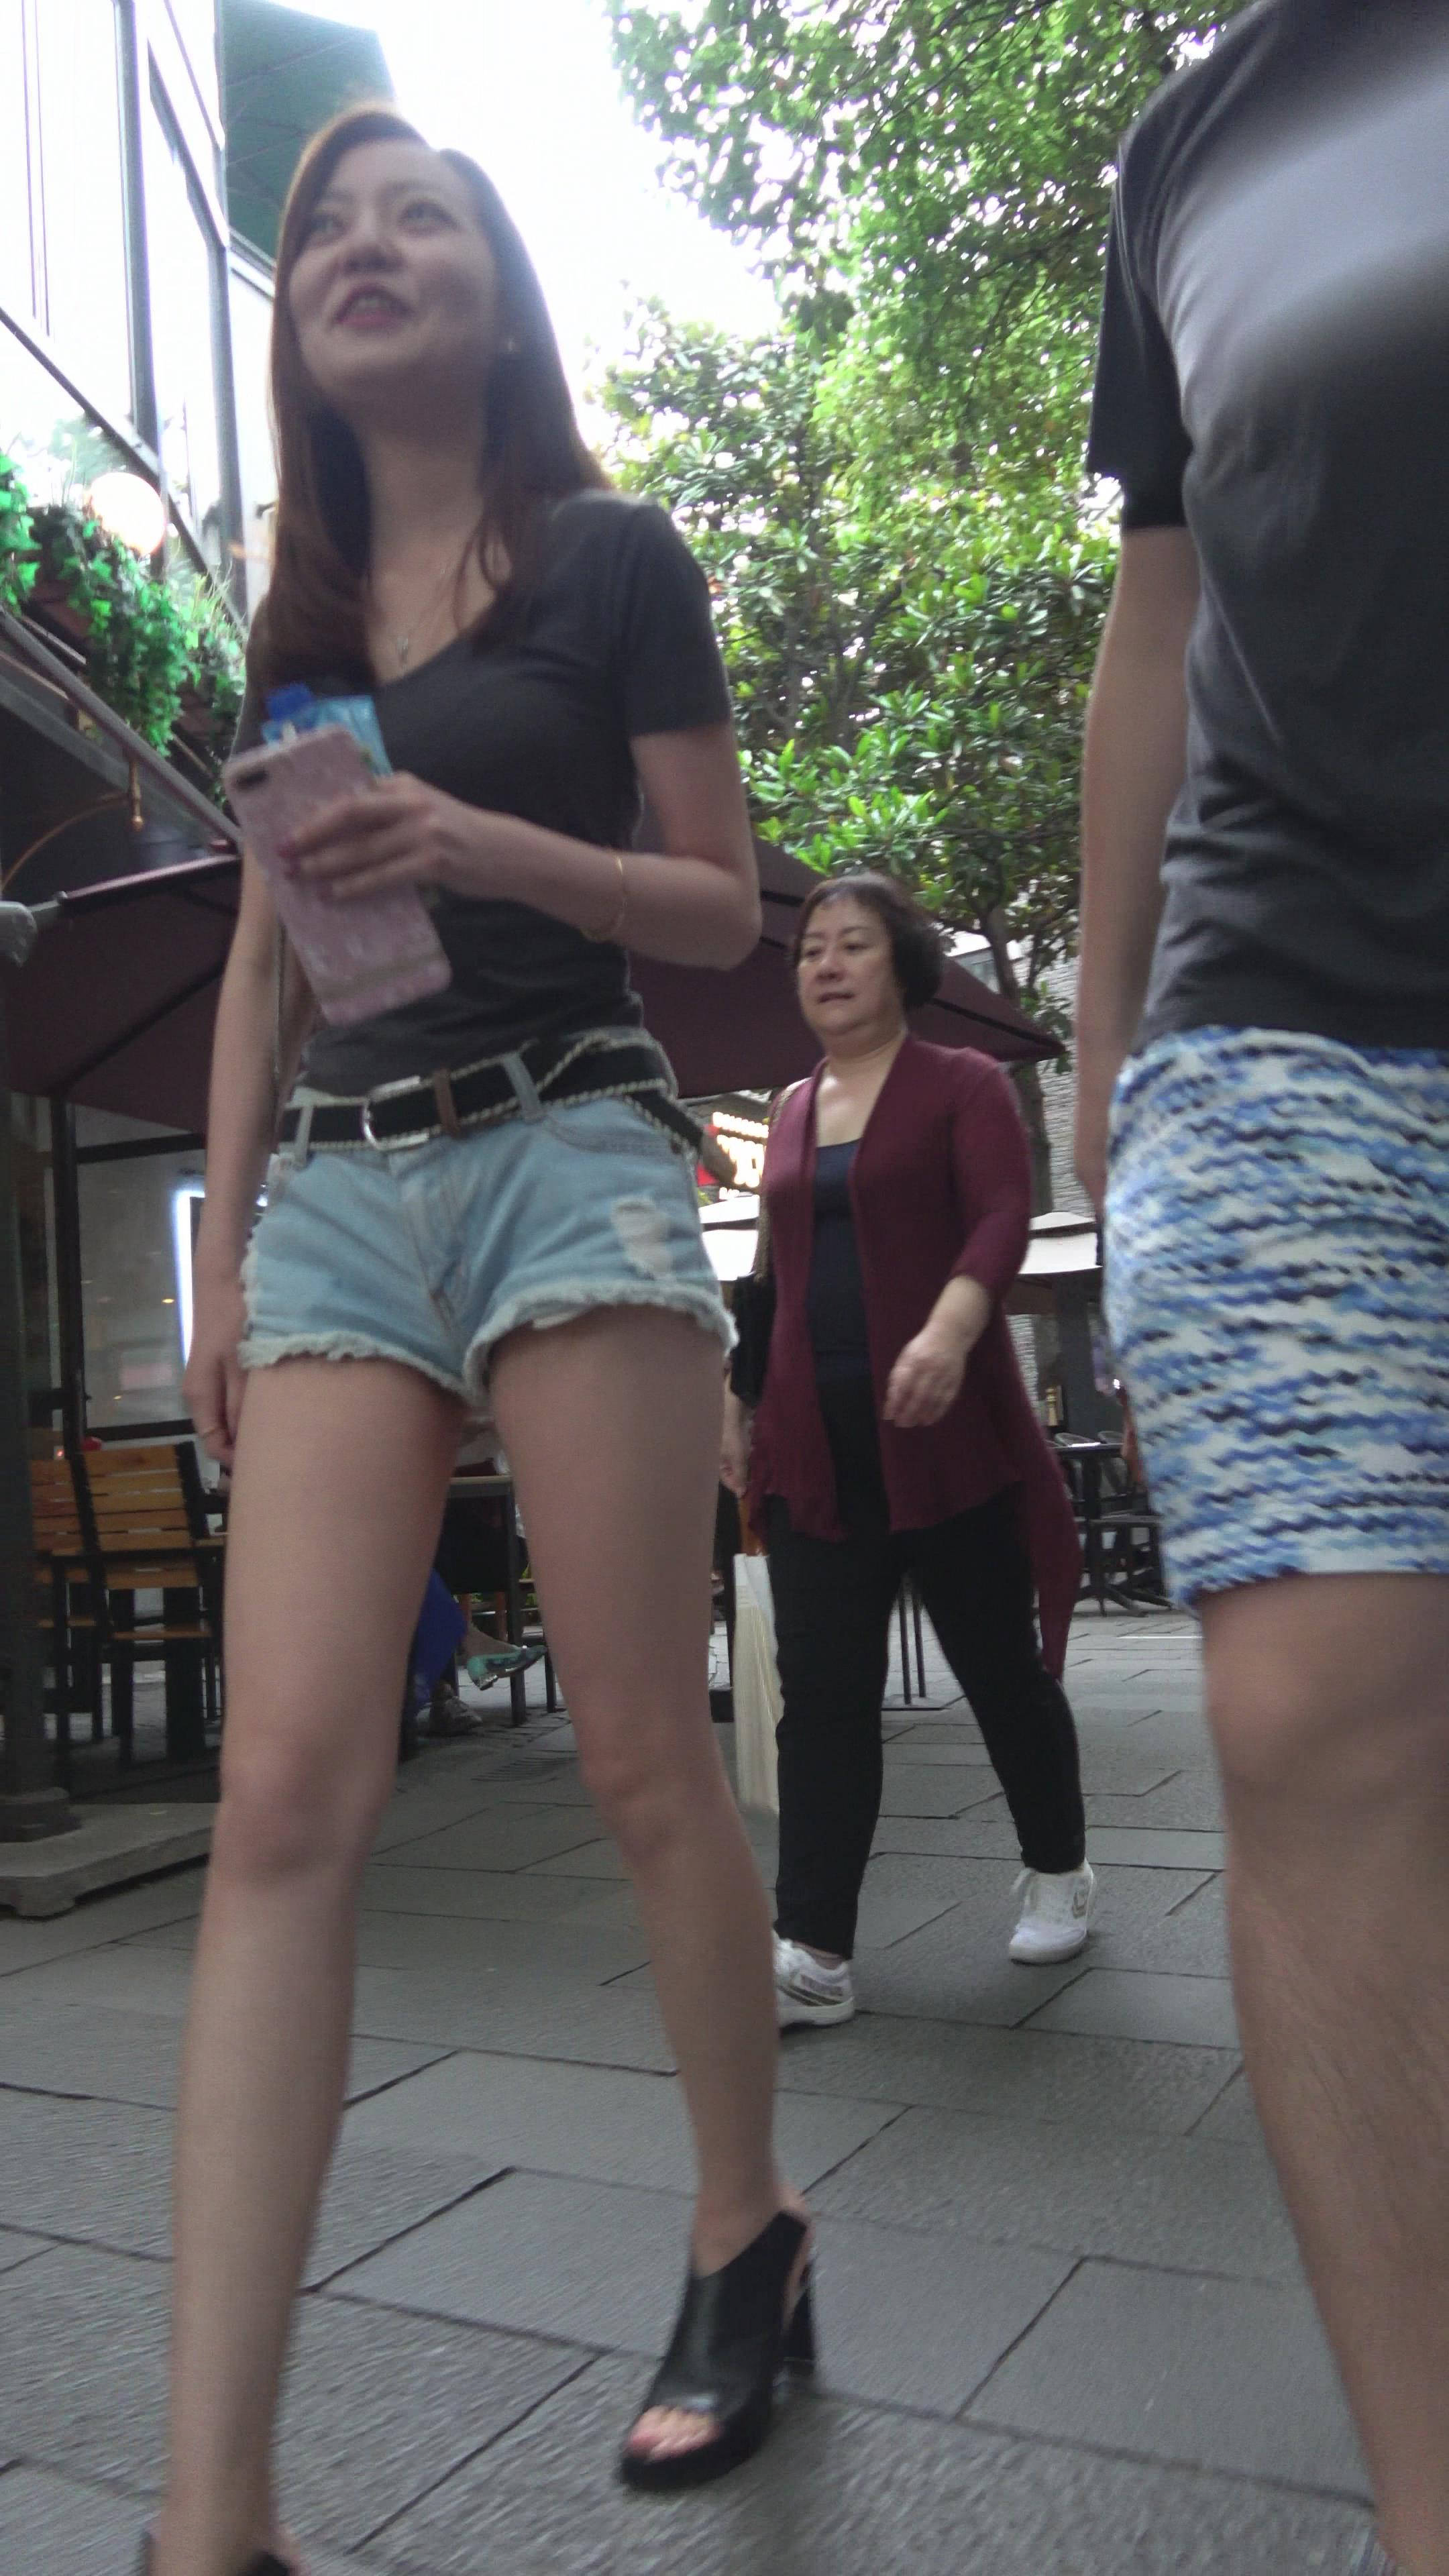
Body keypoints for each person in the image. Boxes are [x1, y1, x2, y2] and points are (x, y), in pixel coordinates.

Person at [155, 106, 812, 2576]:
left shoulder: (616, 561)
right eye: (325, 225)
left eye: (416, 212)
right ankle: (209, 2519)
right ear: (301, 321)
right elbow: (257, 958)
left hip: (570, 1143)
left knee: (641, 1750)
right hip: (340, 1194)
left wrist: (478, 842)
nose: (364, 243)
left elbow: (720, 901)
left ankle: (743, 2229)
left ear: (496, 291)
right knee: (280, 1802)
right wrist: (222, 1266)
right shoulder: (299, 635)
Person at [1076, 10, 1449, 2572]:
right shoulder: (1183, 146)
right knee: (1309, 1724)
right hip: (1277, 1001)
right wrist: (1109, 1076)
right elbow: (1159, 613)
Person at [722, 873, 1090, 2031]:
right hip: (814, 1452)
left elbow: (1001, 1215)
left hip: (944, 1441)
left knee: (998, 1672)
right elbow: (772, 1273)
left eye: (853, 945)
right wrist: (739, 1400)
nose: (826, 965)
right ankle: (815, 1949)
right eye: (810, 950)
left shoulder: (961, 1084)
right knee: (823, 1698)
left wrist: (950, 1326)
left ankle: (1060, 1869)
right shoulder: (790, 1106)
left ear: (905, 966)